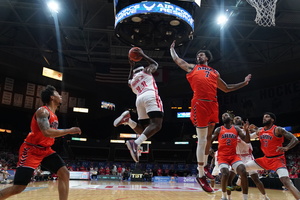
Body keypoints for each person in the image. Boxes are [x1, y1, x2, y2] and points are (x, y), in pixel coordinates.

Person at [170, 40, 251, 192]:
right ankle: (200, 174)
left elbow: (226, 88)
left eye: (201, 54)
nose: (198, 56)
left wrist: (243, 83)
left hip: (213, 104)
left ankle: (205, 165)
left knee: (208, 139)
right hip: (199, 103)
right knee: (201, 139)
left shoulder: (214, 72)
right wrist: (172, 49)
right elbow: (178, 61)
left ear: (207, 57)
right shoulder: (193, 68)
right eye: (197, 55)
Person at [0, 85, 81, 200]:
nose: (61, 96)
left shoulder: (54, 115)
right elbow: (46, 132)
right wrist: (69, 131)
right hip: (31, 150)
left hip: (46, 150)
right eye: (58, 94)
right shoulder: (42, 111)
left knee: (65, 173)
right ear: (52, 97)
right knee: (19, 187)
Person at [113, 47, 163, 163]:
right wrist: (143, 55)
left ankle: (128, 120)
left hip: (139, 99)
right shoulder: (146, 71)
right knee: (157, 125)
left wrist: (131, 66)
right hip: (150, 95)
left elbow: (128, 79)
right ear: (143, 69)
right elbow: (155, 64)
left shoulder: (132, 82)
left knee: (144, 131)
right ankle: (135, 144)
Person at [245, 112, 300, 199]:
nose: (264, 118)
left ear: (272, 120)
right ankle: (238, 184)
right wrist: (251, 129)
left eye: (267, 117)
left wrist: (287, 147)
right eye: (263, 117)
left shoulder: (277, 129)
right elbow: (253, 135)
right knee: (242, 168)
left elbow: (295, 139)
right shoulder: (261, 130)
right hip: (265, 159)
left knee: (286, 182)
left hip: (277, 159)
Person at [226, 116, 270, 200]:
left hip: (248, 157)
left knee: (256, 179)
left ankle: (265, 196)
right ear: (232, 122)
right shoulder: (232, 132)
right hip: (237, 158)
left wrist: (254, 128)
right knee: (229, 178)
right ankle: (228, 197)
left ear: (242, 122)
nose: (237, 118)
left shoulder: (247, 133)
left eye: (238, 118)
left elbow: (260, 131)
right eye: (235, 118)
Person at [212, 112, 250, 200]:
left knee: (243, 171)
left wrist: (247, 130)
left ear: (231, 118)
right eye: (223, 116)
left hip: (234, 156)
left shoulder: (236, 129)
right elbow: (210, 139)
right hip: (222, 157)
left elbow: (247, 141)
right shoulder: (219, 129)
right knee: (225, 173)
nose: (224, 116)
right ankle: (224, 196)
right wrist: (210, 148)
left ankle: (245, 198)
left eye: (226, 115)